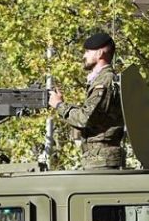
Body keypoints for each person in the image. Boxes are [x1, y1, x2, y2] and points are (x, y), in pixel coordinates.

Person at [48, 31, 125, 170]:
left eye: (88, 52)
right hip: (98, 158)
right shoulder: (102, 80)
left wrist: (59, 105)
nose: (84, 56)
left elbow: (85, 118)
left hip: (101, 160)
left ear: (100, 53)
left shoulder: (104, 81)